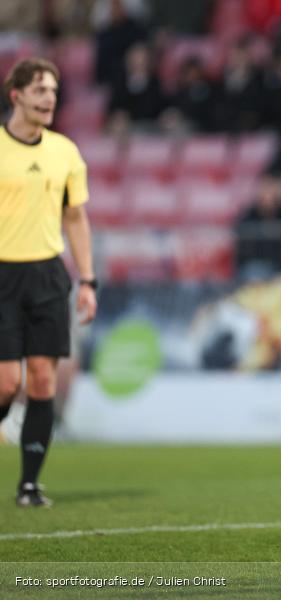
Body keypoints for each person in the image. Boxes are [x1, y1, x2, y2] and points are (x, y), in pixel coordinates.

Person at [0, 58, 97, 507]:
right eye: (40, 90)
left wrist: (89, 281)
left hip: (47, 275)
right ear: (15, 94)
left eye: (54, 92)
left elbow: (75, 218)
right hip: (2, 273)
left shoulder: (65, 152)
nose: (49, 99)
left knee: (42, 381)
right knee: (5, 383)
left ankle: (28, 485)